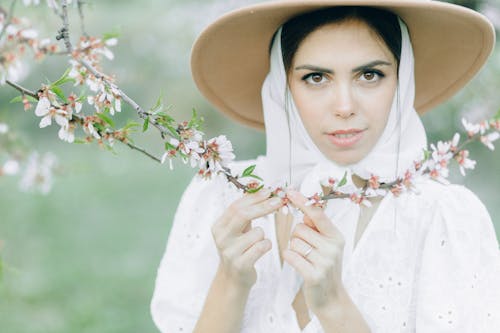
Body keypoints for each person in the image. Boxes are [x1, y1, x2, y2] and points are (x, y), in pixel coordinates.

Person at [151, 1, 500, 332]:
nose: (345, 105)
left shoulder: (444, 217)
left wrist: (333, 304)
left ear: (401, 79)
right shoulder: (220, 193)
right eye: (316, 78)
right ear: (282, 85)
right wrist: (231, 280)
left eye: (370, 74)